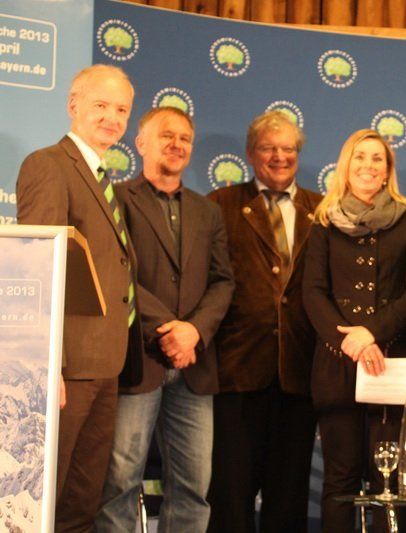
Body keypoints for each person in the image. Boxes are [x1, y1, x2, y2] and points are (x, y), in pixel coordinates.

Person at [15, 64, 142, 531]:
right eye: (100, 105)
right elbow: (37, 268)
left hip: (105, 364)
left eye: (122, 110)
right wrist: (49, 367)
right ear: (73, 105)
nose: (112, 118)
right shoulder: (49, 164)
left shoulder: (103, 177)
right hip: (66, 369)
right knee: (44, 499)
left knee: (81, 503)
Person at [96, 107, 234, 532]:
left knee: (194, 486)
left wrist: (193, 331)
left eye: (185, 138)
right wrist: (168, 329)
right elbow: (116, 274)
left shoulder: (208, 211)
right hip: (137, 360)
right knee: (119, 481)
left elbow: (223, 281)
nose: (177, 145)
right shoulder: (115, 199)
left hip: (194, 365)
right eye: (166, 136)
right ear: (141, 143)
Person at [303, 128, 406, 532]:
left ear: (388, 170)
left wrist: (371, 333)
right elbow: (313, 292)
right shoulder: (323, 223)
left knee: (388, 482)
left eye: (377, 158)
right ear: (346, 165)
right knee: (340, 479)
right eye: (360, 157)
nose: (368, 165)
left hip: (393, 362)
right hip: (337, 363)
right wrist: (351, 342)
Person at [206, 111, 322, 532]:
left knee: (288, 498)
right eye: (269, 148)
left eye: (288, 148)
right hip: (237, 371)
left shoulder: (322, 210)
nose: (279, 156)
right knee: (230, 495)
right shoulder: (220, 205)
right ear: (251, 154)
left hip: (299, 372)